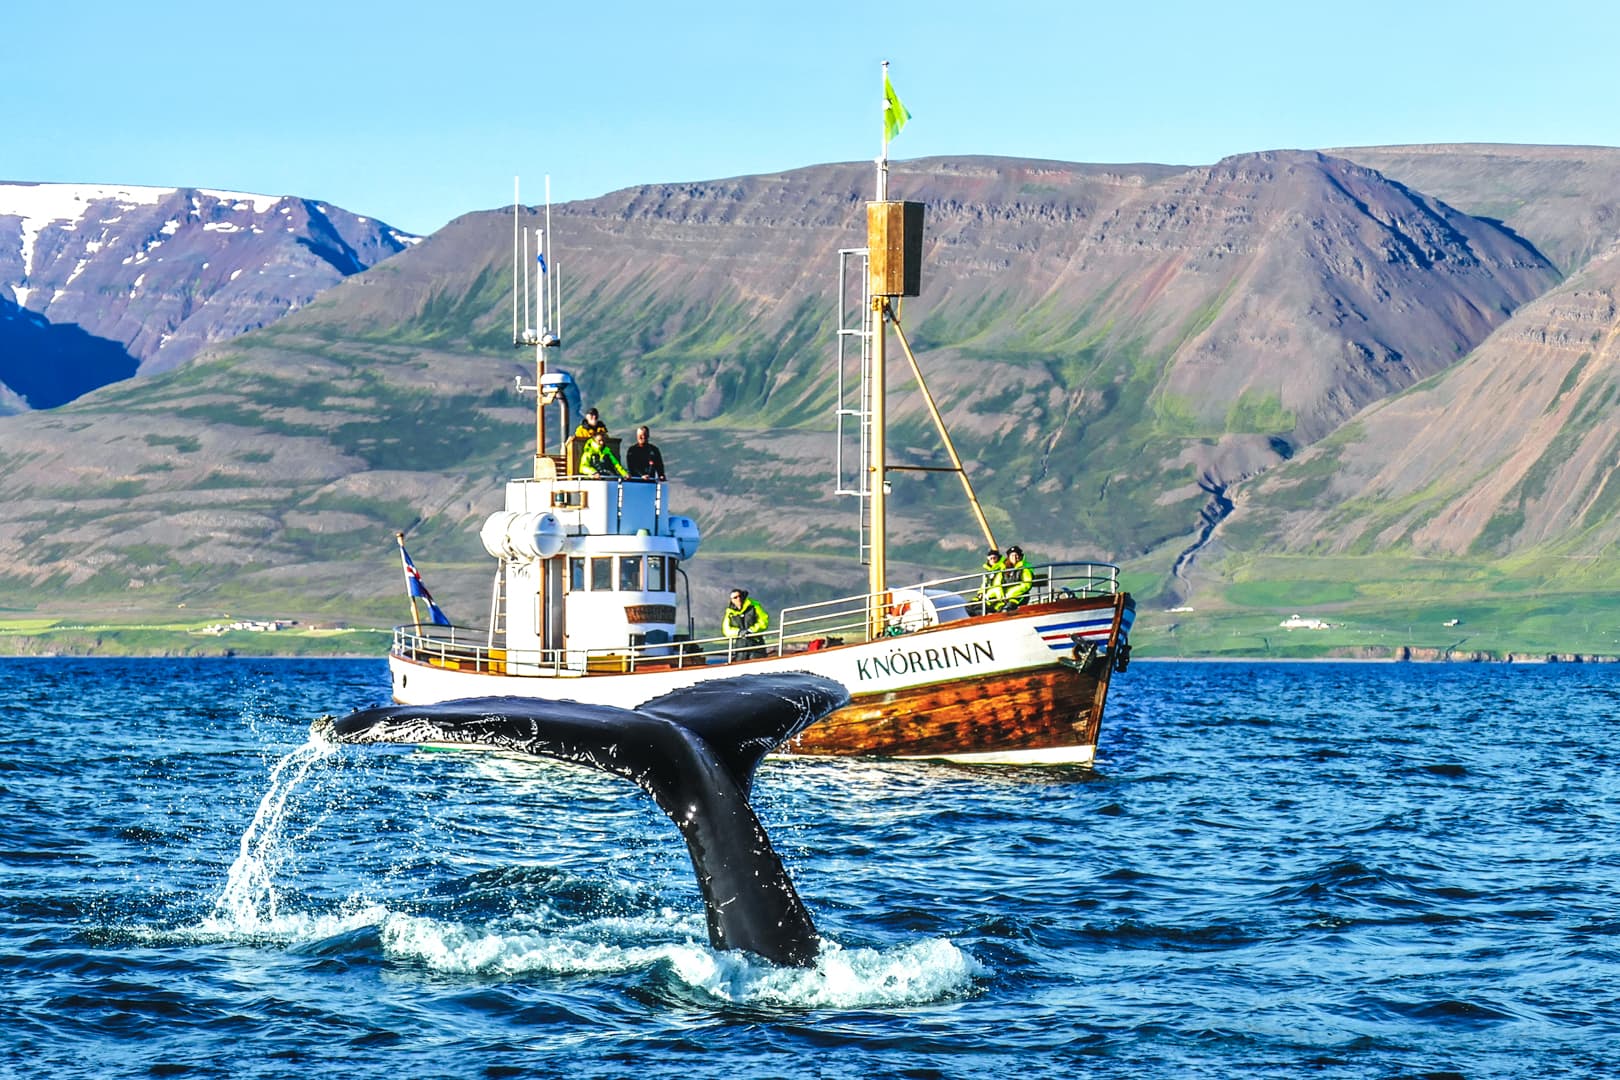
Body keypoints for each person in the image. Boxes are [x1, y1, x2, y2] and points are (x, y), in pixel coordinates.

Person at [723, 588, 769, 660]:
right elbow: (726, 630)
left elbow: (763, 621)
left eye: (740, 596)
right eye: (735, 597)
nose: (738, 599)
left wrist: (751, 630)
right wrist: (738, 632)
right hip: (740, 647)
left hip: (756, 644)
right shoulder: (729, 612)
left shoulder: (754, 606)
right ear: (731, 600)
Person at [997, 545, 1034, 611]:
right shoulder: (1004, 570)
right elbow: (998, 583)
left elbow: (1026, 584)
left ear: (1020, 556)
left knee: (1008, 608)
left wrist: (1010, 594)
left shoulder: (1024, 568)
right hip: (1005, 598)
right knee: (998, 610)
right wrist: (1001, 595)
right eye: (1012, 555)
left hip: (1020, 596)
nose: (1014, 557)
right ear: (1009, 557)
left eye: (1016, 555)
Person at [973, 547, 1004, 615]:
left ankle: (986, 617)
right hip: (987, 595)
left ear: (998, 558)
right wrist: (980, 593)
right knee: (970, 606)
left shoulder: (1002, 568)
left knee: (980, 608)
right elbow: (984, 584)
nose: (993, 560)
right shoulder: (988, 572)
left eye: (994, 558)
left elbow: (998, 585)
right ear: (988, 559)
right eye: (991, 558)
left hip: (996, 597)